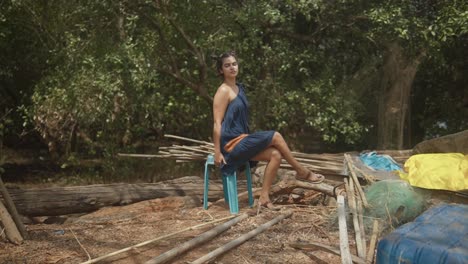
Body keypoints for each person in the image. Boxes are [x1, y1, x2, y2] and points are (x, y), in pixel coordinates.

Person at [212, 51, 324, 210]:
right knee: (276, 136)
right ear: (221, 70)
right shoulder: (223, 91)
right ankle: (301, 171)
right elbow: (217, 123)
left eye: (234, 64)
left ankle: (264, 198)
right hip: (231, 145)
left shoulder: (239, 88)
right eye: (227, 65)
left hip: (242, 139)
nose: (232, 67)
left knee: (275, 155)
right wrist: (217, 151)